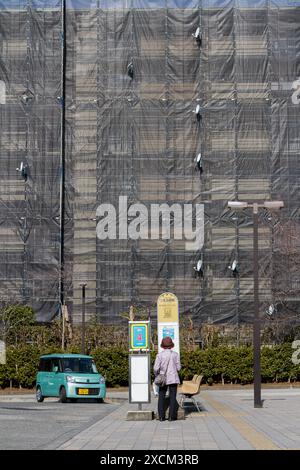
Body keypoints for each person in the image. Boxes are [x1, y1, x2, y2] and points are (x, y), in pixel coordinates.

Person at [154, 336, 181, 421]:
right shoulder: (175, 355)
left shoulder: (159, 355)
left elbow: (155, 368)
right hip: (173, 378)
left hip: (163, 378)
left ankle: (161, 417)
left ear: (163, 346)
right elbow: (179, 368)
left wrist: (157, 374)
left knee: (161, 396)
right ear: (171, 345)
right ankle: (171, 417)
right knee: (173, 396)